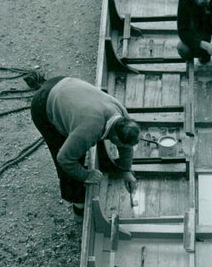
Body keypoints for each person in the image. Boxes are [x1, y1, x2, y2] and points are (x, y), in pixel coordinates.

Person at [30, 75, 139, 222]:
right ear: (115, 138)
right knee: (72, 158)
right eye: (121, 145)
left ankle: (103, 164)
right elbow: (64, 159)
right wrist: (86, 175)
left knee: (82, 142)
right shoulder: (89, 130)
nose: (124, 148)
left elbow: (126, 147)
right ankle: (78, 209)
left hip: (65, 86)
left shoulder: (122, 115)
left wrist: (126, 171)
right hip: (43, 105)